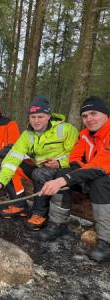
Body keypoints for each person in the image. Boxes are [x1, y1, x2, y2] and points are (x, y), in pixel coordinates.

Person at [0, 96, 79, 230]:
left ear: (48, 116)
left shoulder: (66, 129)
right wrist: (0, 183)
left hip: (60, 169)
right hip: (39, 165)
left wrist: (60, 163)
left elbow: (76, 153)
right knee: (13, 166)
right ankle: (20, 205)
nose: (36, 121)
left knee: (39, 173)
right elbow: (12, 158)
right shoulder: (27, 134)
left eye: (40, 117)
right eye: (33, 117)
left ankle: (39, 214)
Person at [38, 96, 110, 262]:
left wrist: (67, 179)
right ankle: (58, 224)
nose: (89, 119)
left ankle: (106, 241)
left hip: (103, 179)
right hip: (93, 174)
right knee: (63, 173)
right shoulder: (84, 134)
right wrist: (70, 174)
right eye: (85, 116)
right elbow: (75, 159)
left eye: (94, 113)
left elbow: (100, 166)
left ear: (106, 114)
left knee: (99, 182)